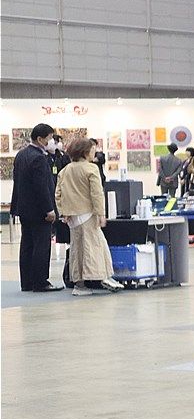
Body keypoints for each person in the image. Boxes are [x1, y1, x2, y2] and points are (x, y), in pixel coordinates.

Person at [55, 138, 123, 296]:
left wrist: (63, 212)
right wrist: (101, 213)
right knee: (96, 246)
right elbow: (96, 194)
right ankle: (103, 276)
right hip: (88, 214)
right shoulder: (91, 169)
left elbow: (58, 194)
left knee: (76, 250)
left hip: (72, 217)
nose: (95, 153)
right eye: (93, 150)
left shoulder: (65, 170)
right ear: (85, 152)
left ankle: (79, 284)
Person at [11, 123, 61, 292]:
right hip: (39, 210)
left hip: (24, 209)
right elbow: (41, 187)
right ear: (40, 139)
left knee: (27, 244)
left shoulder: (21, 155)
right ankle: (40, 281)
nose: (52, 142)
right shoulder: (39, 158)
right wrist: (49, 209)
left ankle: (27, 282)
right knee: (41, 245)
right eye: (50, 138)